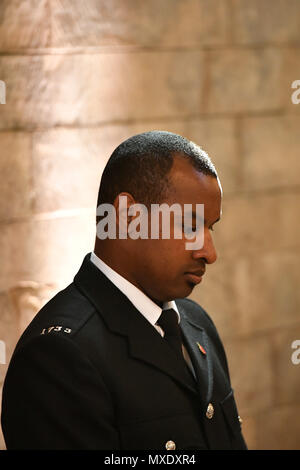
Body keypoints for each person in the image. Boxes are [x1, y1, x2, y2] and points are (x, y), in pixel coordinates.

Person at [1, 131, 247, 450]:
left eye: (210, 227)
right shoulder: (58, 357)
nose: (209, 253)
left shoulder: (196, 325)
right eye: (190, 225)